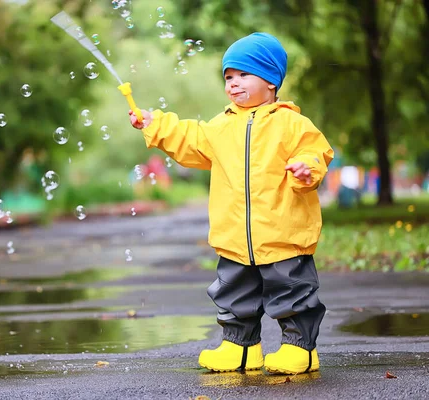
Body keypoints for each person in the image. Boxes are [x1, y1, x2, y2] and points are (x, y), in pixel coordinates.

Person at [128, 32, 334, 375]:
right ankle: (240, 347)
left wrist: (305, 168)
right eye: (228, 77)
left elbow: (316, 153)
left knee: (293, 293)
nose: (233, 84)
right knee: (234, 295)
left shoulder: (293, 124)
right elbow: (188, 139)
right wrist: (155, 123)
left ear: (271, 81)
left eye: (243, 75)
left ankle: (301, 348)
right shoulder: (220, 127)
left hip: (284, 234)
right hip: (234, 237)